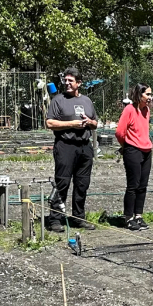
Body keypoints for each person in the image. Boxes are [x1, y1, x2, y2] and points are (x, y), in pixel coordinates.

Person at [45, 67, 98, 232]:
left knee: (82, 184)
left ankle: (78, 217)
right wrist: (72, 124)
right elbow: (50, 123)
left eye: (70, 81)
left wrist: (89, 122)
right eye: (65, 80)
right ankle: (55, 219)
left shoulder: (87, 101)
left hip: (85, 146)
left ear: (79, 83)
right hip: (65, 145)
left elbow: (95, 123)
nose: (67, 83)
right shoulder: (58, 100)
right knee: (62, 183)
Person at [116, 83, 153, 231]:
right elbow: (120, 132)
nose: (150, 97)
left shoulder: (146, 110)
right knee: (133, 185)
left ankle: (138, 215)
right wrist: (126, 145)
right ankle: (128, 217)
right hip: (132, 150)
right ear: (139, 95)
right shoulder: (129, 110)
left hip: (146, 150)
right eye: (147, 94)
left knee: (143, 185)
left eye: (150, 94)